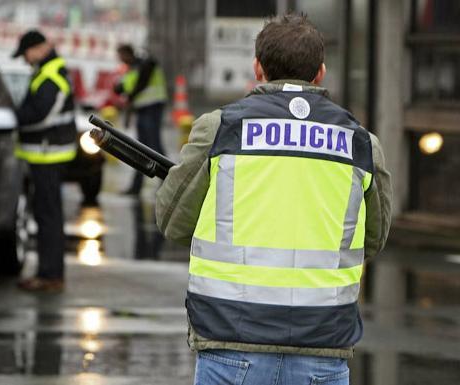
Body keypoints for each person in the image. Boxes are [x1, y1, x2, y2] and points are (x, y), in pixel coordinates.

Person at [155, 14, 392, 385]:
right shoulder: (361, 144)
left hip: (232, 340)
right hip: (322, 347)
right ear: (321, 73)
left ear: (258, 68)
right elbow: (373, 241)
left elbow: (172, 222)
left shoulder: (221, 129)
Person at [11, 30, 77, 292]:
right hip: (45, 154)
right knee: (46, 216)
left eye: (26, 53)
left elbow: (40, 114)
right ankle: (47, 273)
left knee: (49, 218)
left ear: (38, 48)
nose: (25, 59)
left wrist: (14, 117)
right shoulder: (47, 71)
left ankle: (50, 276)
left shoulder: (52, 76)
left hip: (49, 154)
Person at [114, 44, 168, 195]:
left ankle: (168, 182)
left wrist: (128, 95)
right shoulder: (132, 68)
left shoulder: (145, 64)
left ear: (127, 53)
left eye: (121, 56)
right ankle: (137, 186)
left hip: (152, 108)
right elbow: (124, 88)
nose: (120, 60)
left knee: (154, 147)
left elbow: (140, 84)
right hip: (143, 109)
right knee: (141, 149)